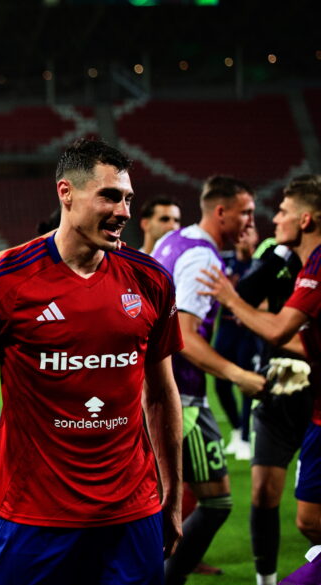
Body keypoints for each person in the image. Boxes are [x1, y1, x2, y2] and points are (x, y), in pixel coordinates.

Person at [0, 138, 184, 585]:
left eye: (127, 198)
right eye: (109, 196)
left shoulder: (151, 279)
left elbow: (160, 393)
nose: (123, 211)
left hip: (131, 513)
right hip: (35, 518)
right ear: (66, 193)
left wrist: (173, 496)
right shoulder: (3, 282)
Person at [198, 174, 321, 584]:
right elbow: (265, 311)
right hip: (283, 391)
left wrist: (230, 298)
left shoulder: (318, 264)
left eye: (282, 212)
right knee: (286, 506)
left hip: (311, 400)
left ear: (305, 219)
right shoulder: (286, 258)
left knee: (310, 518)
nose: (274, 219)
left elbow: (278, 328)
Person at [150, 175, 265, 585]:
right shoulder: (202, 257)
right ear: (221, 212)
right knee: (216, 501)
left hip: (153, 387)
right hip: (182, 394)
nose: (251, 220)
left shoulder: (174, 240)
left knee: (158, 497)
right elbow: (184, 334)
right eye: (245, 212)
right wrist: (238, 375)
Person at [213, 225, 261, 461]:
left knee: (246, 383)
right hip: (226, 330)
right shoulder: (224, 262)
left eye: (248, 232)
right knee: (220, 383)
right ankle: (235, 428)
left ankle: (244, 437)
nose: (243, 236)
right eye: (240, 232)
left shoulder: (261, 265)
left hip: (248, 333)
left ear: (256, 237)